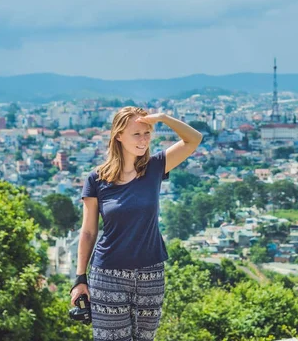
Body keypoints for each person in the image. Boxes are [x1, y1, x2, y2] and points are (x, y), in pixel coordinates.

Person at [70, 106, 202, 341]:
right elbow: (89, 232)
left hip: (151, 274)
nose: (143, 140)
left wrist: (162, 118)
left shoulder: (155, 167)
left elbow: (193, 139)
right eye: (136, 134)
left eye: (147, 133)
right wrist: (80, 279)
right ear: (118, 135)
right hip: (108, 274)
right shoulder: (97, 179)